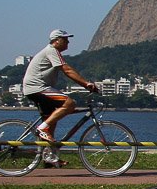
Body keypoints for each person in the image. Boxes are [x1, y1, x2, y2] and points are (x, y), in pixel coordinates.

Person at [21, 29, 100, 166]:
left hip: (38, 88)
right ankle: (42, 128)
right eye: (65, 39)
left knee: (53, 120)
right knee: (70, 104)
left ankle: (49, 158)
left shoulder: (52, 52)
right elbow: (67, 70)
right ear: (56, 40)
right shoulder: (51, 50)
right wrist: (86, 84)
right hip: (38, 88)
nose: (68, 41)